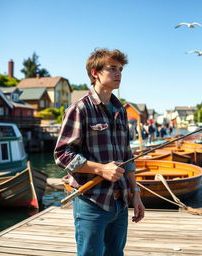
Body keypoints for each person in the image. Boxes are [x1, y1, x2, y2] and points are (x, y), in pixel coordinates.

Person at [54, 48, 145, 256]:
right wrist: (101, 169)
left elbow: (127, 156)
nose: (119, 73)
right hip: (91, 202)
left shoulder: (120, 110)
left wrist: (136, 194)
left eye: (121, 69)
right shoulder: (79, 109)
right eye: (112, 68)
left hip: (120, 203)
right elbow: (62, 153)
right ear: (95, 73)